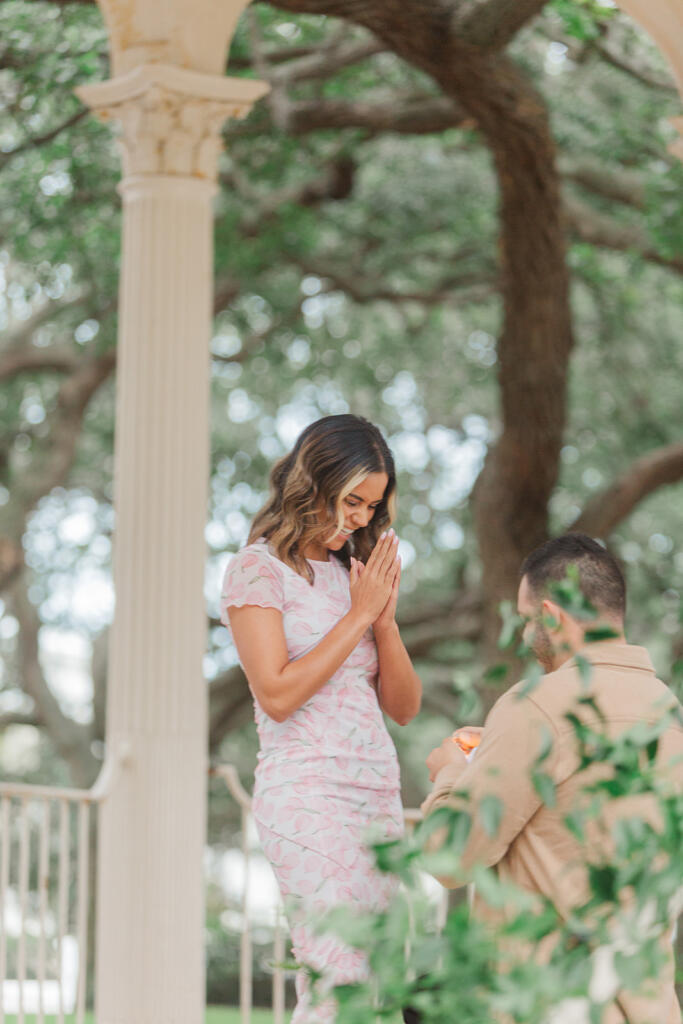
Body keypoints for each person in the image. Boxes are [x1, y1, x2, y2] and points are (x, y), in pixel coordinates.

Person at [422, 533, 683, 1024]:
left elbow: (449, 857)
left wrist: (451, 774)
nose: (525, 635)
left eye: (526, 620)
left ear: (553, 615)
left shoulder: (537, 705)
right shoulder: (667, 712)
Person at [220, 414, 422, 1023]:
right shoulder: (256, 570)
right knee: (336, 971)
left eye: (373, 506)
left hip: (375, 791)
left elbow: (405, 708)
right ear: (315, 483)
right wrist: (358, 617)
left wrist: (382, 621)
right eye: (352, 500)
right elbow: (277, 694)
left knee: (378, 975)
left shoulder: (354, 574)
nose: (362, 518)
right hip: (306, 790)